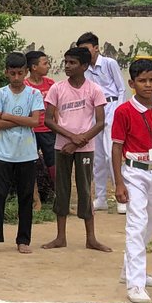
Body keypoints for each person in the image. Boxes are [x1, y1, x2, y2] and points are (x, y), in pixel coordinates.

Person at [111, 58, 152, 303]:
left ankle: (130, 269)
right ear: (132, 83)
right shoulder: (124, 111)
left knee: (150, 222)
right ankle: (135, 283)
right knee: (136, 225)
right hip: (134, 172)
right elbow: (116, 148)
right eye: (142, 81)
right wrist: (118, 183)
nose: (148, 85)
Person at [42, 47, 110, 252]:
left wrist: (79, 141)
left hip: (85, 148)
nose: (67, 66)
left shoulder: (94, 89)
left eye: (72, 62)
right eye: (66, 62)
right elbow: (48, 120)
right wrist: (71, 138)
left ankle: (91, 238)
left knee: (85, 190)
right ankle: (60, 237)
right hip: (62, 147)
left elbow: (100, 122)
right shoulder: (57, 89)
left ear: (85, 66)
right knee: (62, 190)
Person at [0, 52, 44, 256]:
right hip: (4, 153)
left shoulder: (34, 94)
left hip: (27, 153)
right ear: (6, 72)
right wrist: (20, 119)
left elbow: (35, 121)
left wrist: (8, 116)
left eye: (20, 73)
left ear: (26, 72)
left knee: (26, 197)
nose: (16, 77)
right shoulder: (0, 94)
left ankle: (23, 240)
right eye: (12, 73)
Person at [77, 32, 127, 214]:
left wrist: (119, 112)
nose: (83, 53)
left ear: (96, 48)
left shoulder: (109, 63)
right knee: (97, 157)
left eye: (86, 49)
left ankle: (122, 196)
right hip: (93, 111)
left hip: (111, 107)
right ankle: (100, 197)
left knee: (111, 153)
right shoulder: (83, 68)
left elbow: (121, 88)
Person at [25, 49, 57, 187]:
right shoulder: (25, 86)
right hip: (30, 131)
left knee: (53, 162)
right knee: (29, 163)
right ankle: (32, 194)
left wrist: (58, 128)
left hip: (48, 130)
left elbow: (56, 108)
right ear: (34, 67)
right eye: (45, 63)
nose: (48, 66)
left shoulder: (51, 84)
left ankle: (57, 191)